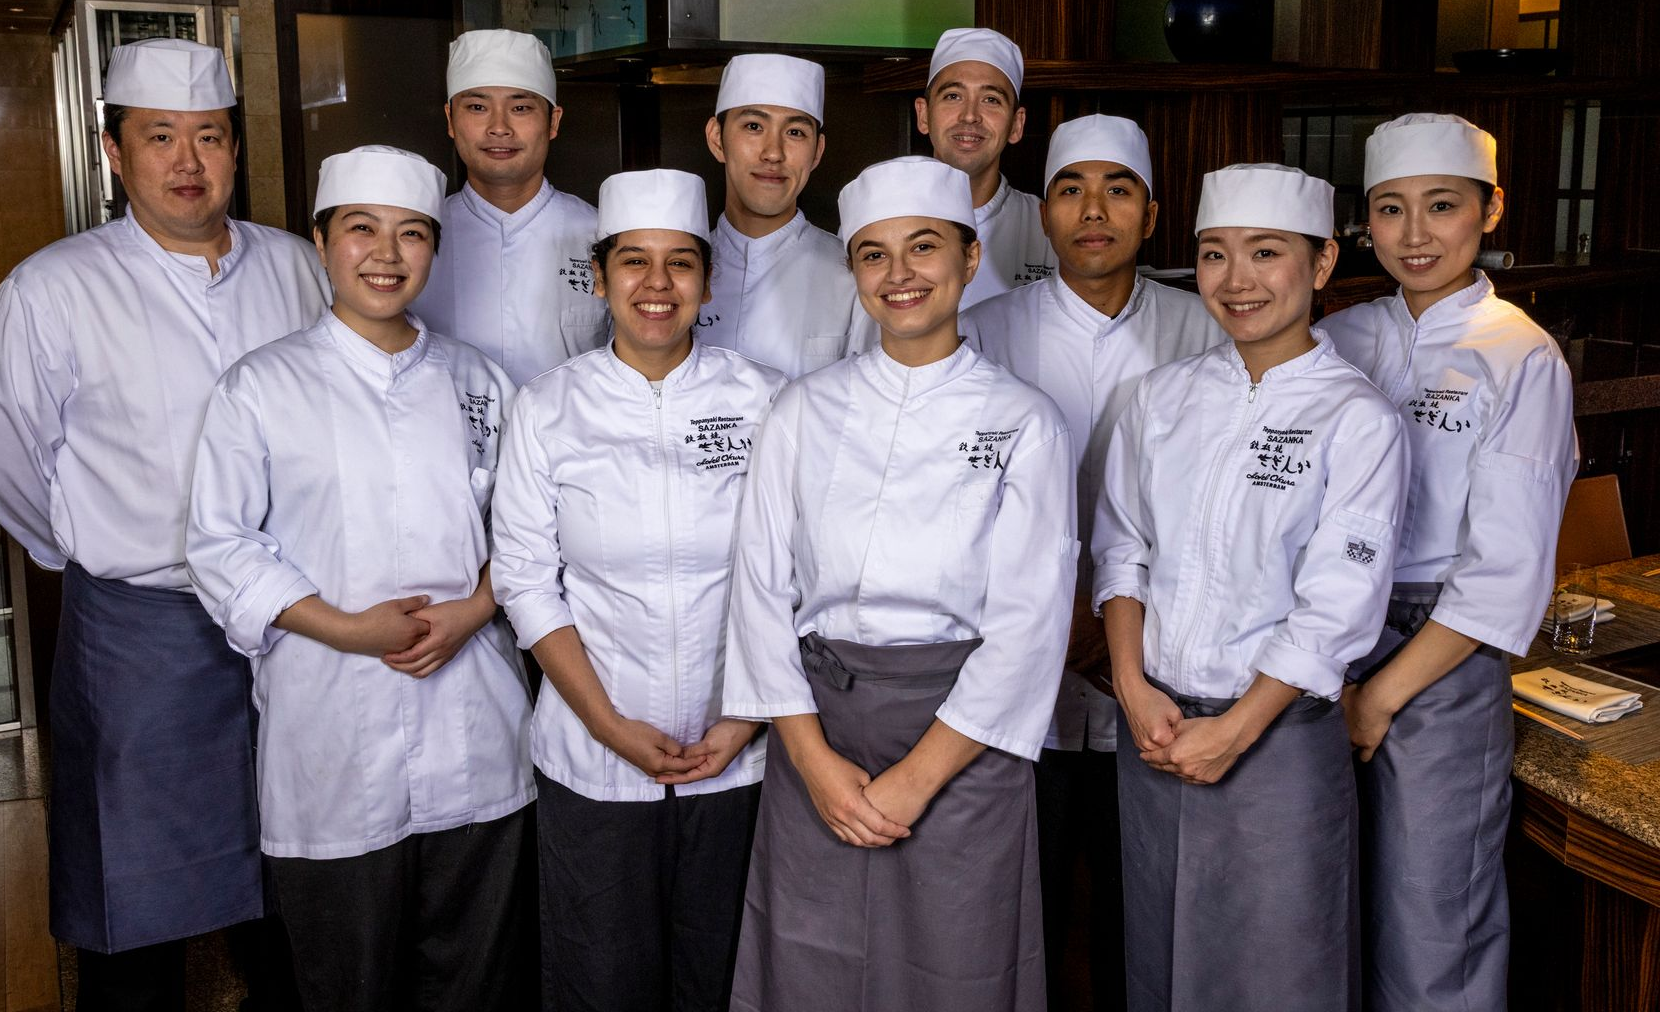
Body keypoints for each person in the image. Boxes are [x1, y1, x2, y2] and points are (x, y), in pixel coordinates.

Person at [0, 37, 328, 1010]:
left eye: (209, 136)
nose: (188, 161)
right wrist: (80, 548)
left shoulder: (295, 268)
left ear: (235, 149)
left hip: (291, 620)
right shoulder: (53, 288)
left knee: (286, 884)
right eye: (160, 136)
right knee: (137, 910)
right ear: (115, 153)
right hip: (139, 632)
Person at [724, 155, 1075, 1012]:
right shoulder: (803, 409)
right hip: (823, 725)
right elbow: (759, 589)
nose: (900, 274)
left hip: (964, 738)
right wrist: (812, 761)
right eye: (874, 255)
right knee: (811, 961)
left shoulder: (1024, 419)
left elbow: (1030, 623)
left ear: (969, 259)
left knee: (958, 962)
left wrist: (918, 778)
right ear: (854, 275)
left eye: (924, 248)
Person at [187, 146, 534, 1012]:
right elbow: (220, 546)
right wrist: (348, 629)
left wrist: (473, 610)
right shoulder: (258, 389)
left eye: (412, 234)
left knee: (474, 979)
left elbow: (530, 531)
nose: (387, 253)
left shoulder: (480, 383)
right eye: (361, 230)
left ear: (433, 251)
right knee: (346, 983)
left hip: (477, 729)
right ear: (320, 242)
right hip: (331, 736)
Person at [1093, 162, 1407, 1012]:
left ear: (1323, 263)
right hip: (1154, 732)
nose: (1237, 281)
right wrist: (1131, 686)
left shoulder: (1358, 419)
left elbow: (1337, 607)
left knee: (1278, 973)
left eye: (1266, 253)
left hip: (1278, 740)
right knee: (1156, 961)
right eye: (1214, 255)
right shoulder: (1159, 398)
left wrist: (1235, 728)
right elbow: (1123, 550)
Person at [490, 168, 785, 1012]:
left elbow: (793, 575)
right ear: (599, 277)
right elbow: (524, 578)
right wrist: (608, 724)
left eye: (680, 263)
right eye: (633, 262)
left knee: (723, 969)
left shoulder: (765, 400)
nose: (657, 285)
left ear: (708, 278)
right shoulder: (549, 409)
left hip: (740, 758)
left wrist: (744, 721)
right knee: (599, 974)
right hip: (592, 758)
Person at [1318, 114, 1577, 1012]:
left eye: (1443, 206)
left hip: (1444, 652)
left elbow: (1504, 567)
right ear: (1365, 223)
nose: (1416, 234)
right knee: (1327, 903)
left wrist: (1382, 695)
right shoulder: (1341, 338)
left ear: (1491, 210)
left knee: (1433, 911)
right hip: (1328, 632)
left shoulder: (1520, 356)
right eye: (1391, 210)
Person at [962, 114, 1220, 1010]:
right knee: (1015, 906)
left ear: (1152, 215)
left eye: (1118, 189)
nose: (1093, 210)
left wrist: (1112, 629)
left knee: (1139, 910)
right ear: (1045, 215)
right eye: (1071, 189)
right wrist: (1055, 621)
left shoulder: (1204, 328)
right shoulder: (985, 328)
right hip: (1014, 670)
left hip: (1158, 679)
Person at [414, 28, 607, 384]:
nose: (499, 128)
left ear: (553, 121)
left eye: (520, 108)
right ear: (450, 119)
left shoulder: (601, 233)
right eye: (477, 107)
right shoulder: (413, 238)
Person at [697, 53, 867, 378]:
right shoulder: (672, 275)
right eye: (753, 126)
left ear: (817, 151)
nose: (773, 153)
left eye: (795, 133)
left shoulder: (853, 276)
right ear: (717, 139)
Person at [914, 26, 1054, 307]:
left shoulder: (1046, 230)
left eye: (991, 100)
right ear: (924, 115)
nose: (969, 116)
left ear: (1016, 125)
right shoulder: (879, 219)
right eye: (953, 96)